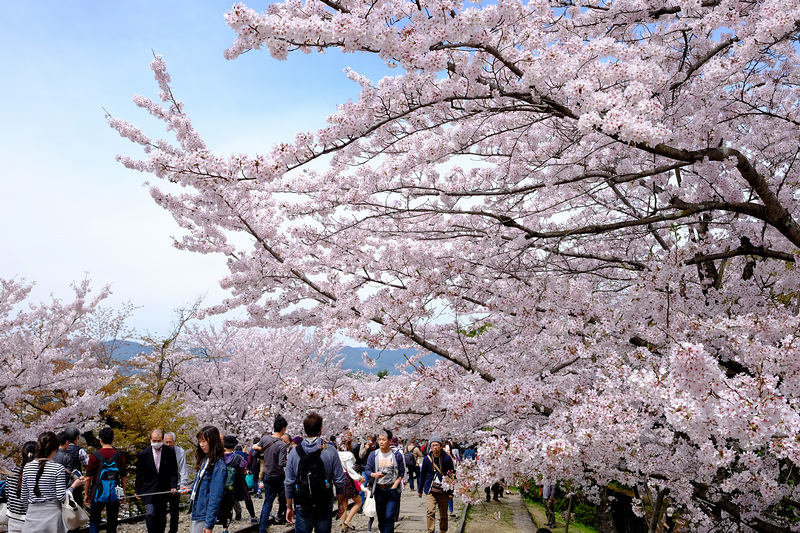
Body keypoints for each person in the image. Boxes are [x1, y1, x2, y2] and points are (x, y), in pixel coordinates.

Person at [284, 411, 347, 533]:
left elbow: (289, 482)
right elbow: (339, 480)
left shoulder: (294, 452)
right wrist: (340, 502)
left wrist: (289, 506)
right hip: (324, 503)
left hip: (302, 503)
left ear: (305, 430)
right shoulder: (330, 450)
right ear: (320, 429)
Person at [20, 431, 86, 533]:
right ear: (55, 449)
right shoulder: (57, 468)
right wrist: (73, 486)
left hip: (32, 515)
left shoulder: (27, 467)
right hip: (52, 516)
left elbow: (24, 496)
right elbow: (61, 496)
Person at [135, 429, 179, 533]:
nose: (156, 443)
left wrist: (173, 485)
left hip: (163, 489)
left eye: (158, 440)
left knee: (161, 515)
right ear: (150, 439)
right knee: (150, 513)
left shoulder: (170, 451)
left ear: (163, 440)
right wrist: (137, 489)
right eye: (154, 440)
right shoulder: (144, 454)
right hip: (148, 489)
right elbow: (139, 474)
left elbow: (173, 470)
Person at [85, 427, 127, 533]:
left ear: (100, 440)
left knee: (94, 521)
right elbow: (123, 476)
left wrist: (86, 494)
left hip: (97, 494)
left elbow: (88, 477)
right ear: (112, 439)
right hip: (114, 493)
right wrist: (123, 493)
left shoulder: (94, 456)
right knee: (112, 523)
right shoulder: (119, 455)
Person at [184, 426, 226, 533]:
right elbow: (200, 486)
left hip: (204, 513)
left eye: (204, 441)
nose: (201, 445)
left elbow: (215, 496)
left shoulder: (218, 465)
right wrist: (190, 490)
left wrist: (209, 524)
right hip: (198, 509)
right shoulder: (206, 459)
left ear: (212, 441)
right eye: (199, 441)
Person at [364, 428, 405, 533]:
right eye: (379, 439)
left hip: (392, 490)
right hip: (379, 490)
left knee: (389, 517)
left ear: (390, 441)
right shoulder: (374, 454)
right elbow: (367, 469)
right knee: (381, 518)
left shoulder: (396, 455)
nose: (381, 442)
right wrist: (374, 474)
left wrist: (395, 484)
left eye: (384, 439)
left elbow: (401, 472)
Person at [256, 414, 288, 532]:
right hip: (279, 476)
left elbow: (257, 448)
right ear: (283, 429)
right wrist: (289, 463)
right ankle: (282, 516)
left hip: (267, 475)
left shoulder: (265, 439)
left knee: (267, 502)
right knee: (284, 496)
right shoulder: (282, 445)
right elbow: (281, 463)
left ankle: (262, 528)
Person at [418, 435, 455, 533]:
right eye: (433, 445)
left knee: (443, 514)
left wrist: (451, 491)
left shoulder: (447, 459)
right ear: (430, 446)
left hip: (444, 490)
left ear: (441, 446)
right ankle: (431, 530)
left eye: (437, 445)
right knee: (430, 511)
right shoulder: (427, 459)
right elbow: (423, 474)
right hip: (430, 489)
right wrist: (420, 489)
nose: (435, 447)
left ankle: (443, 530)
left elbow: (451, 475)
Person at [219, 435, 257, 530]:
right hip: (238, 481)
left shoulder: (220, 457)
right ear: (233, 446)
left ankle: (225, 527)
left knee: (226, 503)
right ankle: (253, 517)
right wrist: (244, 453)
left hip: (225, 483)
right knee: (247, 498)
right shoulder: (237, 457)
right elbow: (245, 465)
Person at [6, 441, 36, 533]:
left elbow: (7, 493)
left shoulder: (12, 472)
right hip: (31, 520)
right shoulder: (37, 475)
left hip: (13, 518)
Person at [164, 432, 189, 533]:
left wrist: (183, 484)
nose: (169, 444)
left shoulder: (180, 451)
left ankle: (173, 530)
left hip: (176, 483)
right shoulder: (161, 450)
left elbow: (183, 469)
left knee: (174, 510)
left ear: (174, 442)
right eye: (167, 442)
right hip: (163, 484)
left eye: (171, 442)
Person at [337, 439, 365, 532]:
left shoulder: (337, 455)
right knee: (358, 502)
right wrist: (359, 477)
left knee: (344, 503)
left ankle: (343, 527)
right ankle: (348, 520)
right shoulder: (348, 455)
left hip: (339, 480)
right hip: (347, 479)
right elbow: (350, 469)